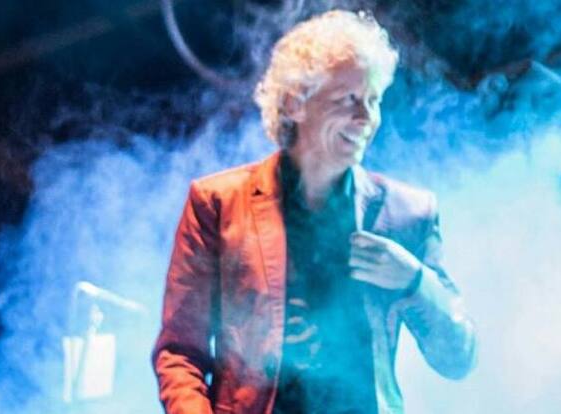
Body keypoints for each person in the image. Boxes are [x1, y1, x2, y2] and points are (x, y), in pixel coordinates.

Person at [152, 9, 477, 414]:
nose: (366, 118)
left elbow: (458, 359)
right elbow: (180, 353)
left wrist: (415, 281)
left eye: (374, 100)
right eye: (349, 100)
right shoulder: (218, 203)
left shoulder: (407, 212)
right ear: (294, 103)